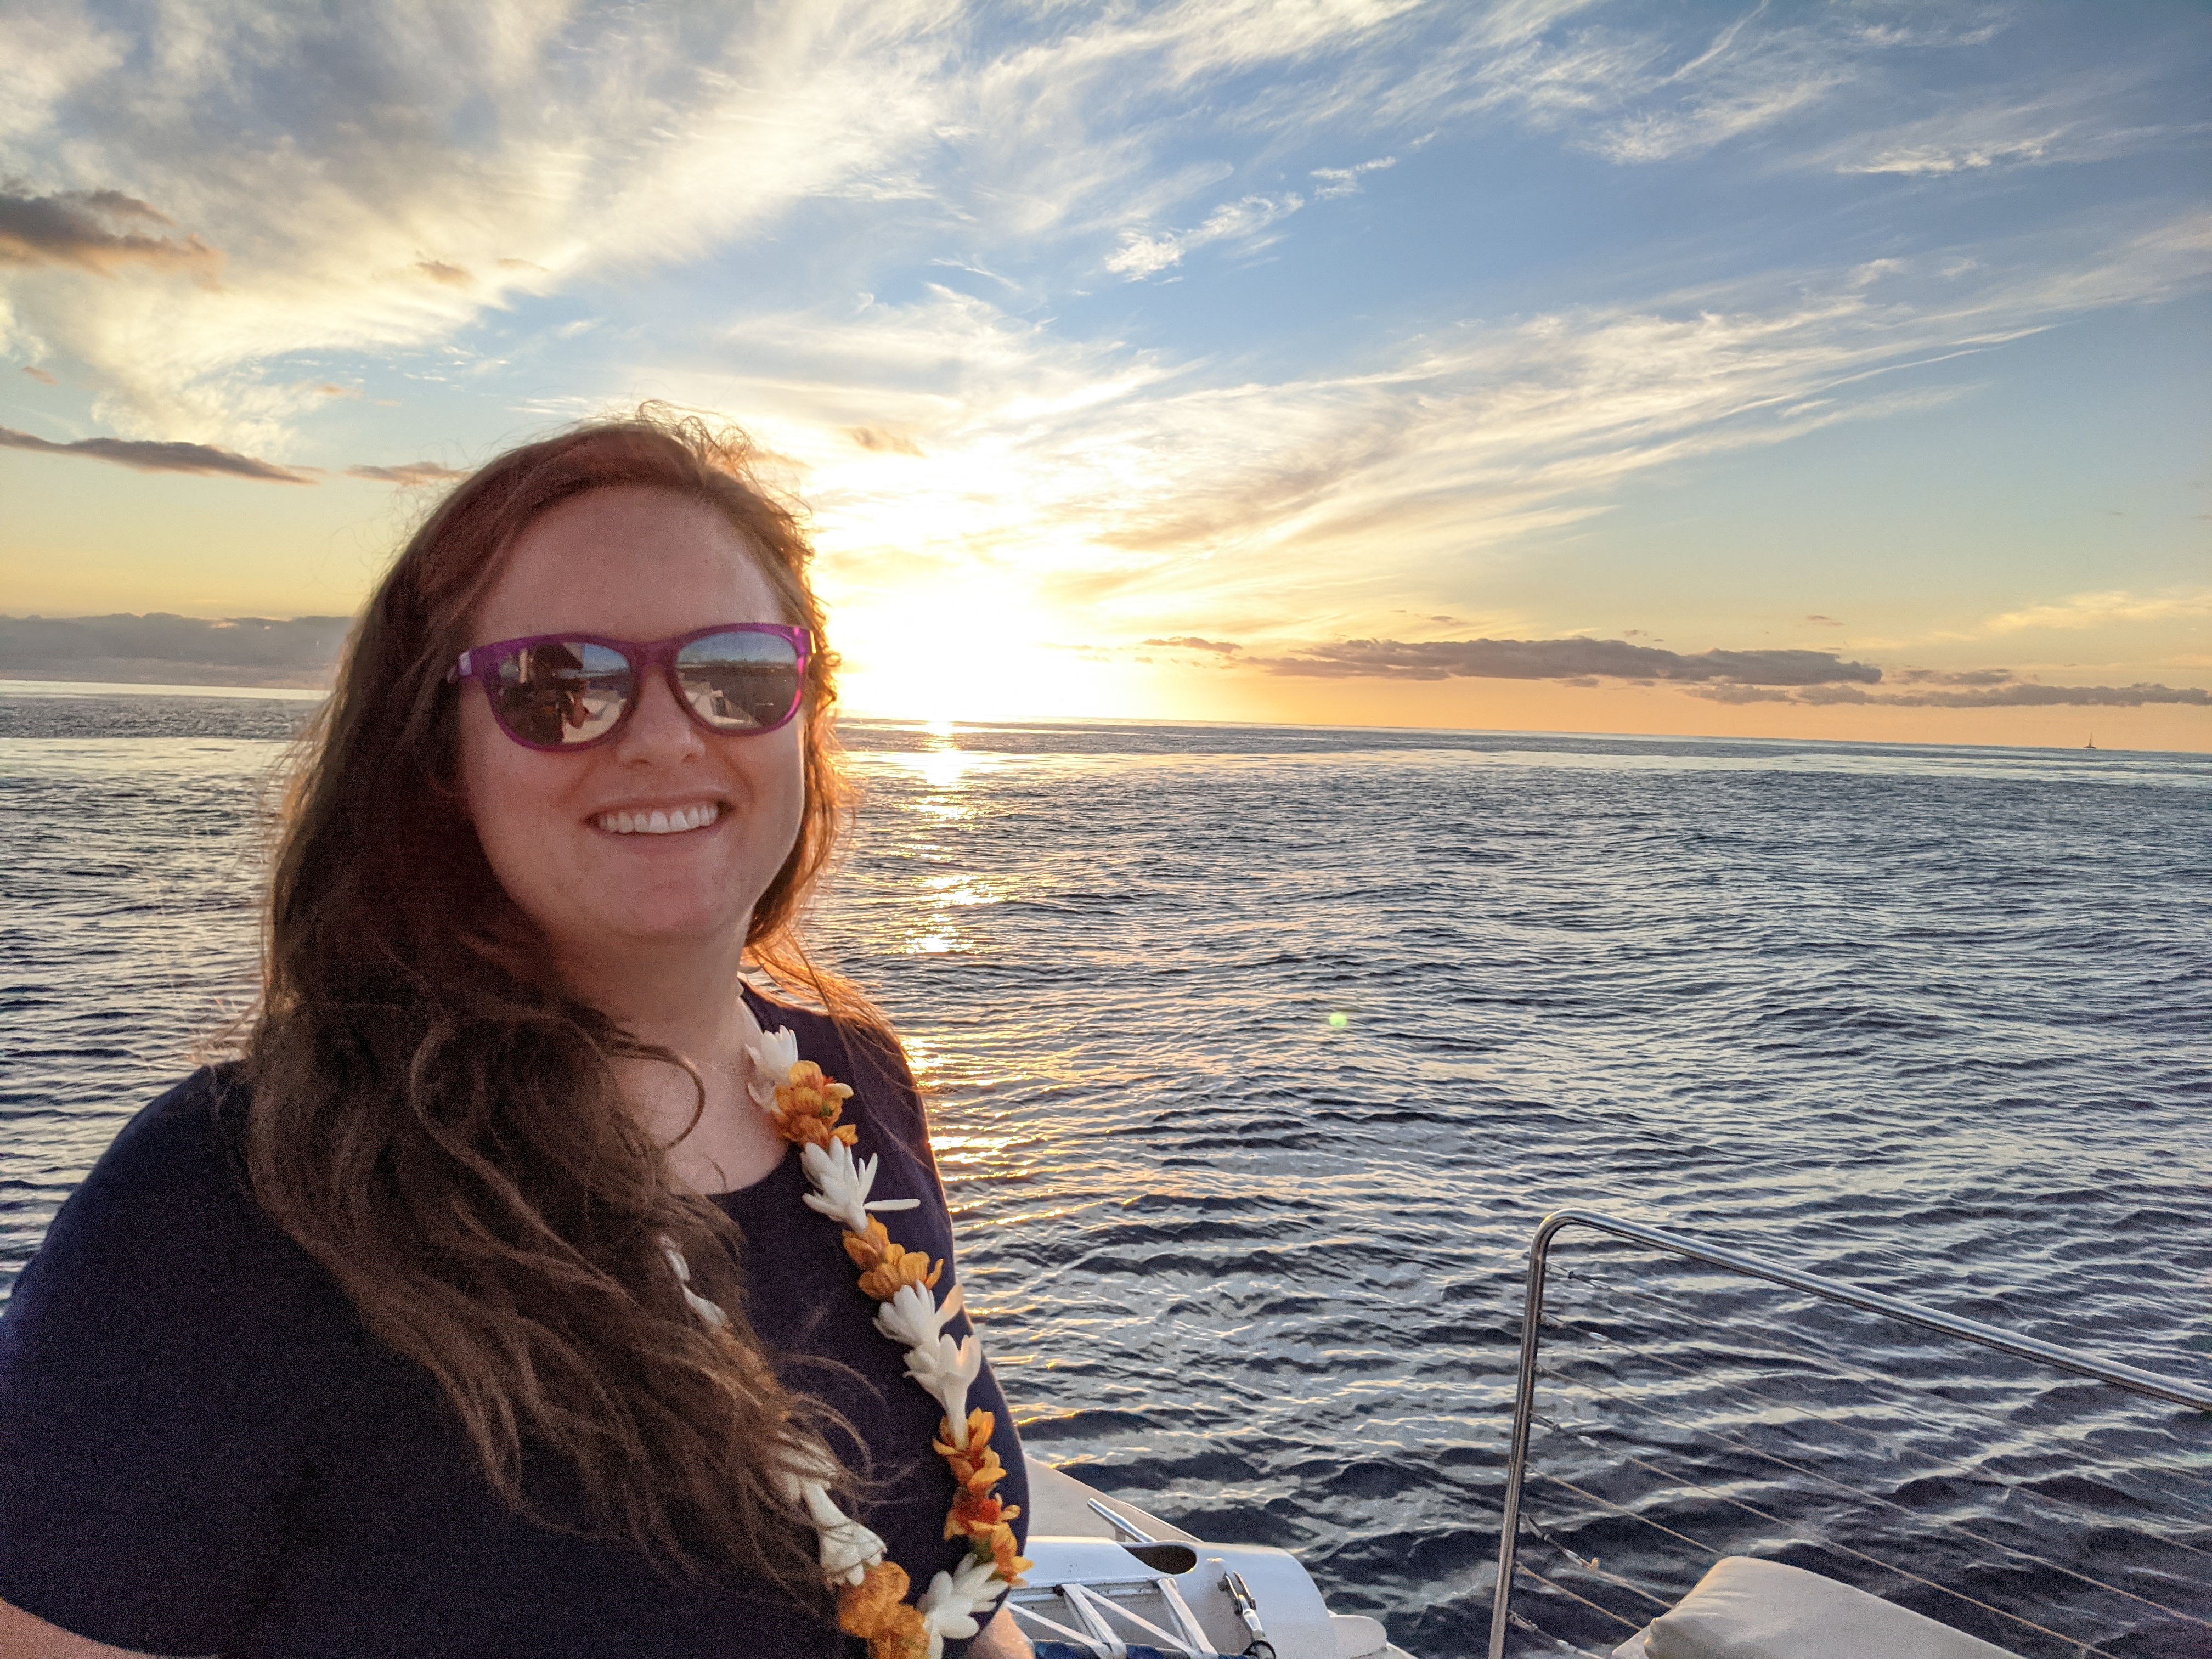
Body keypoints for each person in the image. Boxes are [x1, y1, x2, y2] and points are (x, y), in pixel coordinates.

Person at [0, 413, 1035, 1659]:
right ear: (441, 753)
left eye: (739, 673)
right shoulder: (237, 1199)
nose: (663, 734)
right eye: (560, 686)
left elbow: (960, 1616)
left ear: (803, 715)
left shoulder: (851, 1086)